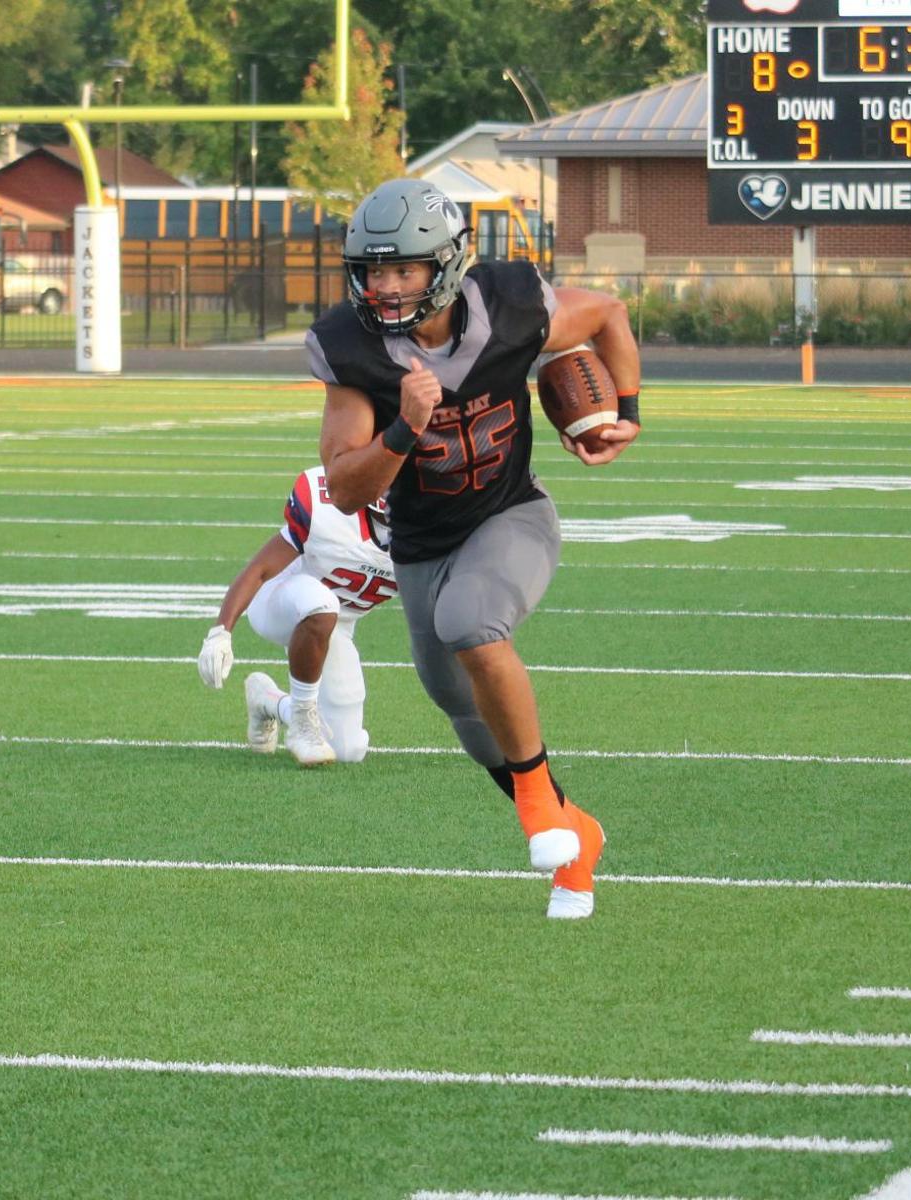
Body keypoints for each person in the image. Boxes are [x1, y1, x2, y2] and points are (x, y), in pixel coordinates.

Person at [305, 178, 641, 919]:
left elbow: (609, 316)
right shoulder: (354, 350)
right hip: (422, 545)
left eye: (404, 270)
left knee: (473, 626)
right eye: (373, 270)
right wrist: (403, 428)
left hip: (510, 514)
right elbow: (348, 487)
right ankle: (577, 835)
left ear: (448, 264)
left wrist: (628, 412)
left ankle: (539, 816)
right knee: (461, 709)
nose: (386, 288)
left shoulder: (511, 303)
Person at [196, 465, 396, 767]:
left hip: (335, 627)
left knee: (347, 750)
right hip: (280, 599)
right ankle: (302, 723)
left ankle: (269, 701)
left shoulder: (428, 538)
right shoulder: (329, 510)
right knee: (322, 603)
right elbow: (259, 569)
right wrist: (221, 631)